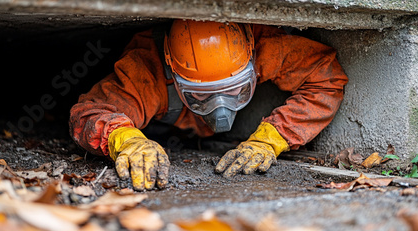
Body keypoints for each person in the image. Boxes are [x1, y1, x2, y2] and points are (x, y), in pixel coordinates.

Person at [69, 20, 348, 191]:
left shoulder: (265, 47)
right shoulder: (147, 71)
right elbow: (90, 113)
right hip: (161, 128)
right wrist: (126, 139)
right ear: (172, 71)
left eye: (236, 91)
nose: (222, 109)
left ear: (250, 56)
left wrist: (271, 139)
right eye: (202, 96)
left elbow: (325, 78)